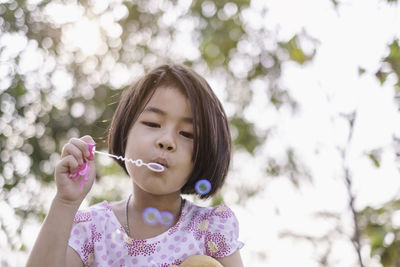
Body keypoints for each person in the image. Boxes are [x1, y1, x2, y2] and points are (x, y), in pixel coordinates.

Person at [26, 64, 244, 267]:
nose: (166, 141)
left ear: (205, 153)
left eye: (187, 134)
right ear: (124, 133)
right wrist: (65, 202)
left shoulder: (211, 230)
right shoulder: (91, 229)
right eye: (152, 123)